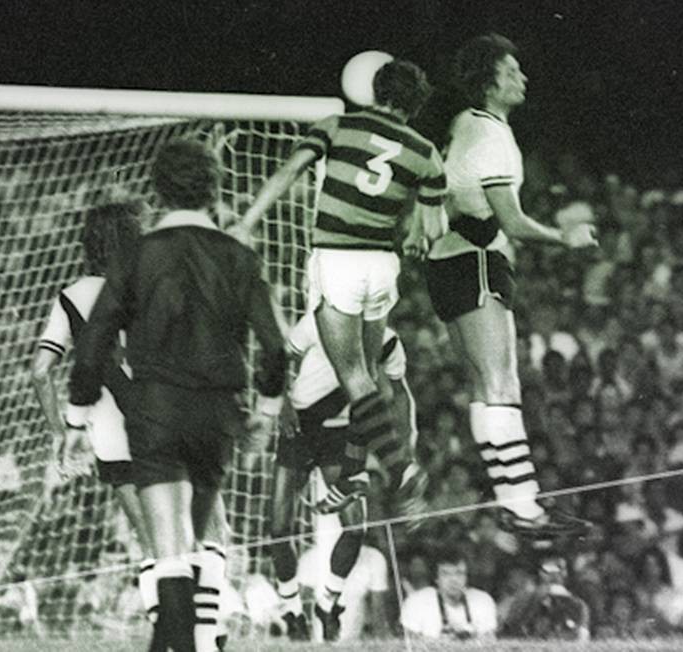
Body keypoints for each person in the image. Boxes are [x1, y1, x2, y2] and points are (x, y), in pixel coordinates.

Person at [67, 138, 287, 652]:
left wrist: (77, 422)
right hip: (218, 414)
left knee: (168, 552)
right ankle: (202, 643)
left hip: (156, 411)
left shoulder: (136, 255)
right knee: (203, 538)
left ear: (158, 189)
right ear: (215, 188)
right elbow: (275, 349)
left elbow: (94, 345)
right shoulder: (239, 255)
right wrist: (268, 411)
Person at [236, 58, 446, 514]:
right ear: (415, 104)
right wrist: (413, 233)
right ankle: (353, 475)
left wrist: (247, 222)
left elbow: (288, 173)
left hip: (339, 260)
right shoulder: (426, 151)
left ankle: (399, 466)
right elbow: (432, 226)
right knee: (367, 377)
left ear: (376, 91)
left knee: (352, 376)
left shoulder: (338, 125)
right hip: (382, 266)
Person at [424, 33, 597, 538]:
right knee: (501, 385)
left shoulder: (463, 125)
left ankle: (511, 500)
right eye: (512, 71)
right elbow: (514, 222)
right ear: (489, 82)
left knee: (483, 387)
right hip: (476, 260)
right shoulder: (491, 135)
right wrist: (566, 238)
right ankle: (523, 508)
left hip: (447, 262)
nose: (522, 78)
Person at [30, 199, 160, 623]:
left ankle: (168, 629)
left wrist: (58, 433)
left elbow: (39, 371)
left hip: (110, 430)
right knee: (192, 538)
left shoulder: (72, 296)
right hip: (165, 420)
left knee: (152, 546)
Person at [267, 313, 419, 640]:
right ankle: (292, 609)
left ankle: (328, 602)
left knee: (355, 527)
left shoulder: (387, 341)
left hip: (340, 439)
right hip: (299, 429)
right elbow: (280, 359)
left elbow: (402, 392)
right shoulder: (317, 322)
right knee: (278, 527)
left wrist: (407, 446)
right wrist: (280, 404)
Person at [400, 547, 497, 641]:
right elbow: (409, 645)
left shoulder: (483, 601)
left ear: (467, 577)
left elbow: (489, 644)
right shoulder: (416, 602)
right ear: (436, 578)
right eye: (446, 574)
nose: (453, 580)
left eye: (459, 573)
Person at [500, 555, 590, 641]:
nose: (556, 574)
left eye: (560, 569)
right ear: (541, 573)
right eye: (550, 570)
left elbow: (581, 636)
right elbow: (511, 630)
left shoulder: (577, 605)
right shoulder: (524, 600)